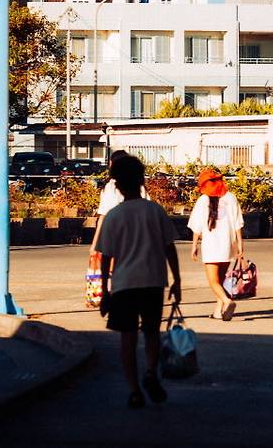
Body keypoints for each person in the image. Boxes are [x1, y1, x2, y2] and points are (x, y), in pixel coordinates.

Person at [97, 153, 181, 409]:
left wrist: (104, 290)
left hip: (123, 285)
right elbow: (170, 248)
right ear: (141, 180)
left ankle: (134, 390)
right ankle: (150, 373)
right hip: (153, 281)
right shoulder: (155, 211)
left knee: (128, 339)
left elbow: (105, 257)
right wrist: (177, 280)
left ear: (117, 184)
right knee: (152, 333)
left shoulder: (113, 216)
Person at [188, 168, 244, 321]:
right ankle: (218, 312)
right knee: (220, 280)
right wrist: (240, 244)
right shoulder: (230, 198)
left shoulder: (203, 200)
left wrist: (194, 245)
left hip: (211, 245)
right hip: (228, 243)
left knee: (213, 282)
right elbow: (238, 222)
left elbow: (197, 226)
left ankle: (227, 301)